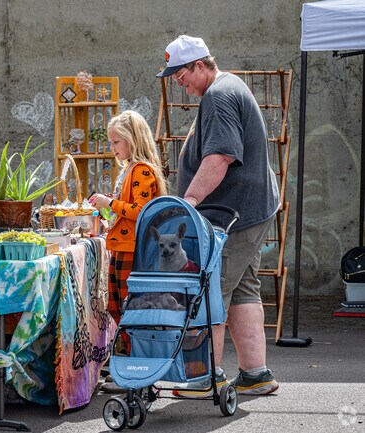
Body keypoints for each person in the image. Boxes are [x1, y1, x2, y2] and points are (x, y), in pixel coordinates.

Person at [156, 35, 280, 397]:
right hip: (249, 210)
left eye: (181, 75)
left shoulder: (219, 96)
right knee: (242, 289)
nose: (178, 83)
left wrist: (188, 201)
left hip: (233, 215)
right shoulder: (227, 87)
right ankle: (256, 374)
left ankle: (202, 377)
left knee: (209, 291)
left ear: (200, 65)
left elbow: (219, 157)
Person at [89, 110, 168, 342]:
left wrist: (110, 203)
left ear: (132, 140)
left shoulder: (141, 170)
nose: (112, 147)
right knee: (117, 305)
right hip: (122, 244)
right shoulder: (129, 168)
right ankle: (130, 353)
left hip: (133, 248)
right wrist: (106, 207)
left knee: (130, 307)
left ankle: (137, 355)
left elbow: (141, 211)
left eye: (116, 142)